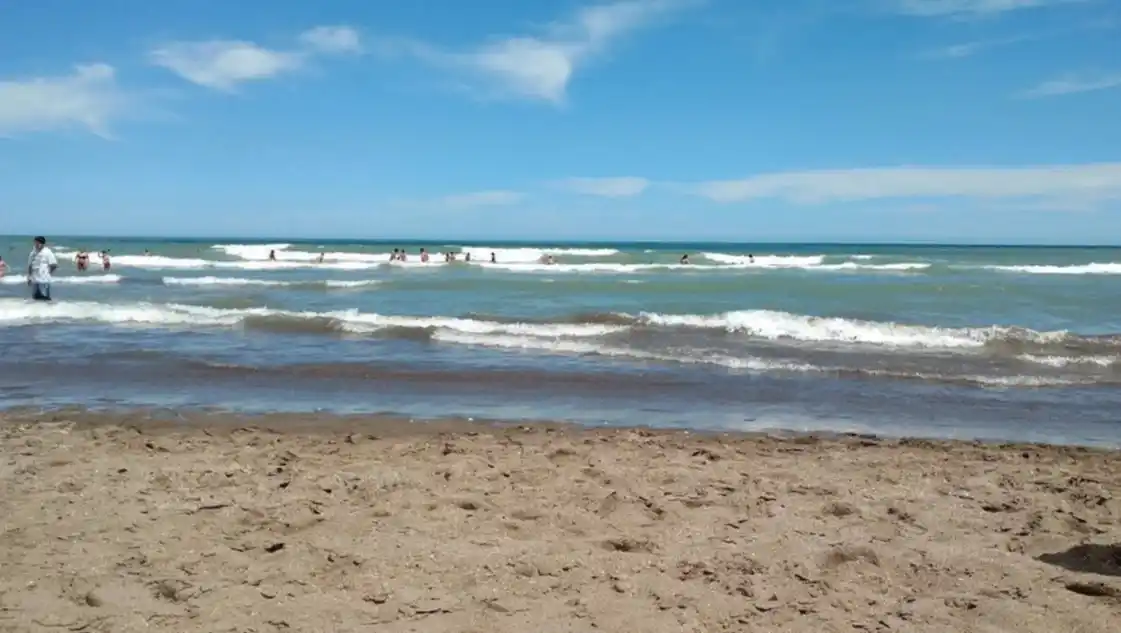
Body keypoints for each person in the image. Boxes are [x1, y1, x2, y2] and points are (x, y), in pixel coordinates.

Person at [27, 236, 58, 301]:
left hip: (44, 280)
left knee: (45, 299)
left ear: (43, 244)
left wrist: (48, 273)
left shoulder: (47, 252)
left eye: (38, 243)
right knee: (35, 298)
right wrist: (29, 277)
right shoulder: (32, 253)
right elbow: (30, 266)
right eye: (35, 243)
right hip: (35, 280)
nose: (37, 244)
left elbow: (54, 265)